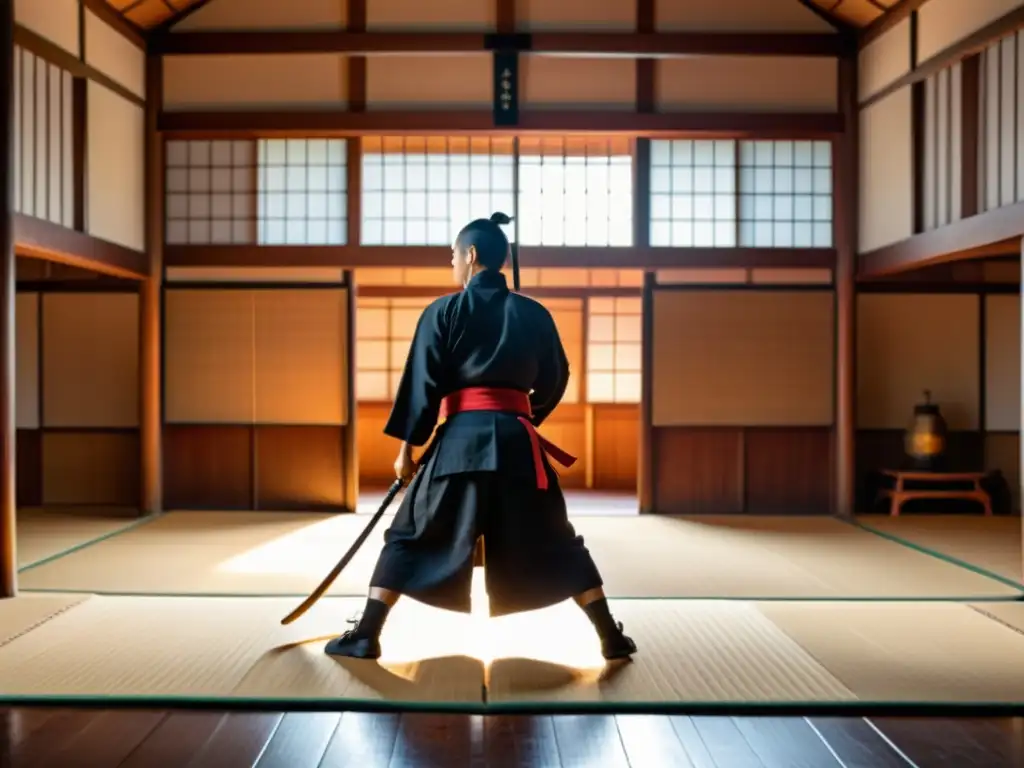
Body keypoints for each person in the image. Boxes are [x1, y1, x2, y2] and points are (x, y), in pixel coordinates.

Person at [325, 212, 637, 662]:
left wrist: (406, 452)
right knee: (555, 536)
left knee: (410, 533)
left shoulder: (442, 312)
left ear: (471, 256)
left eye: (453, 255)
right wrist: (527, 419)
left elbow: (423, 384)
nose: (451, 263)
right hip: (519, 445)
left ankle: (366, 635)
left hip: (458, 444)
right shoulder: (534, 313)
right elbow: (557, 376)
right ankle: (611, 636)